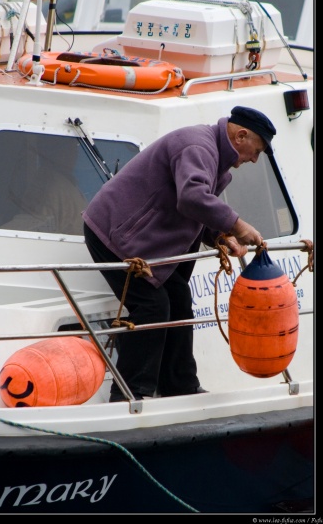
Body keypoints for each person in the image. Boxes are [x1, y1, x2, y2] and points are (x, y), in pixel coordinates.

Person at [82, 106, 276, 402]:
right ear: (240, 136)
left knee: (179, 299)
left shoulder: (214, 157)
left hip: (142, 240)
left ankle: (179, 385)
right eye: (256, 151)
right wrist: (237, 225)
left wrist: (220, 237)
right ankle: (129, 395)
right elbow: (192, 197)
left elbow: (194, 208)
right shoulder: (198, 147)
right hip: (114, 234)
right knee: (152, 307)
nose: (253, 159)